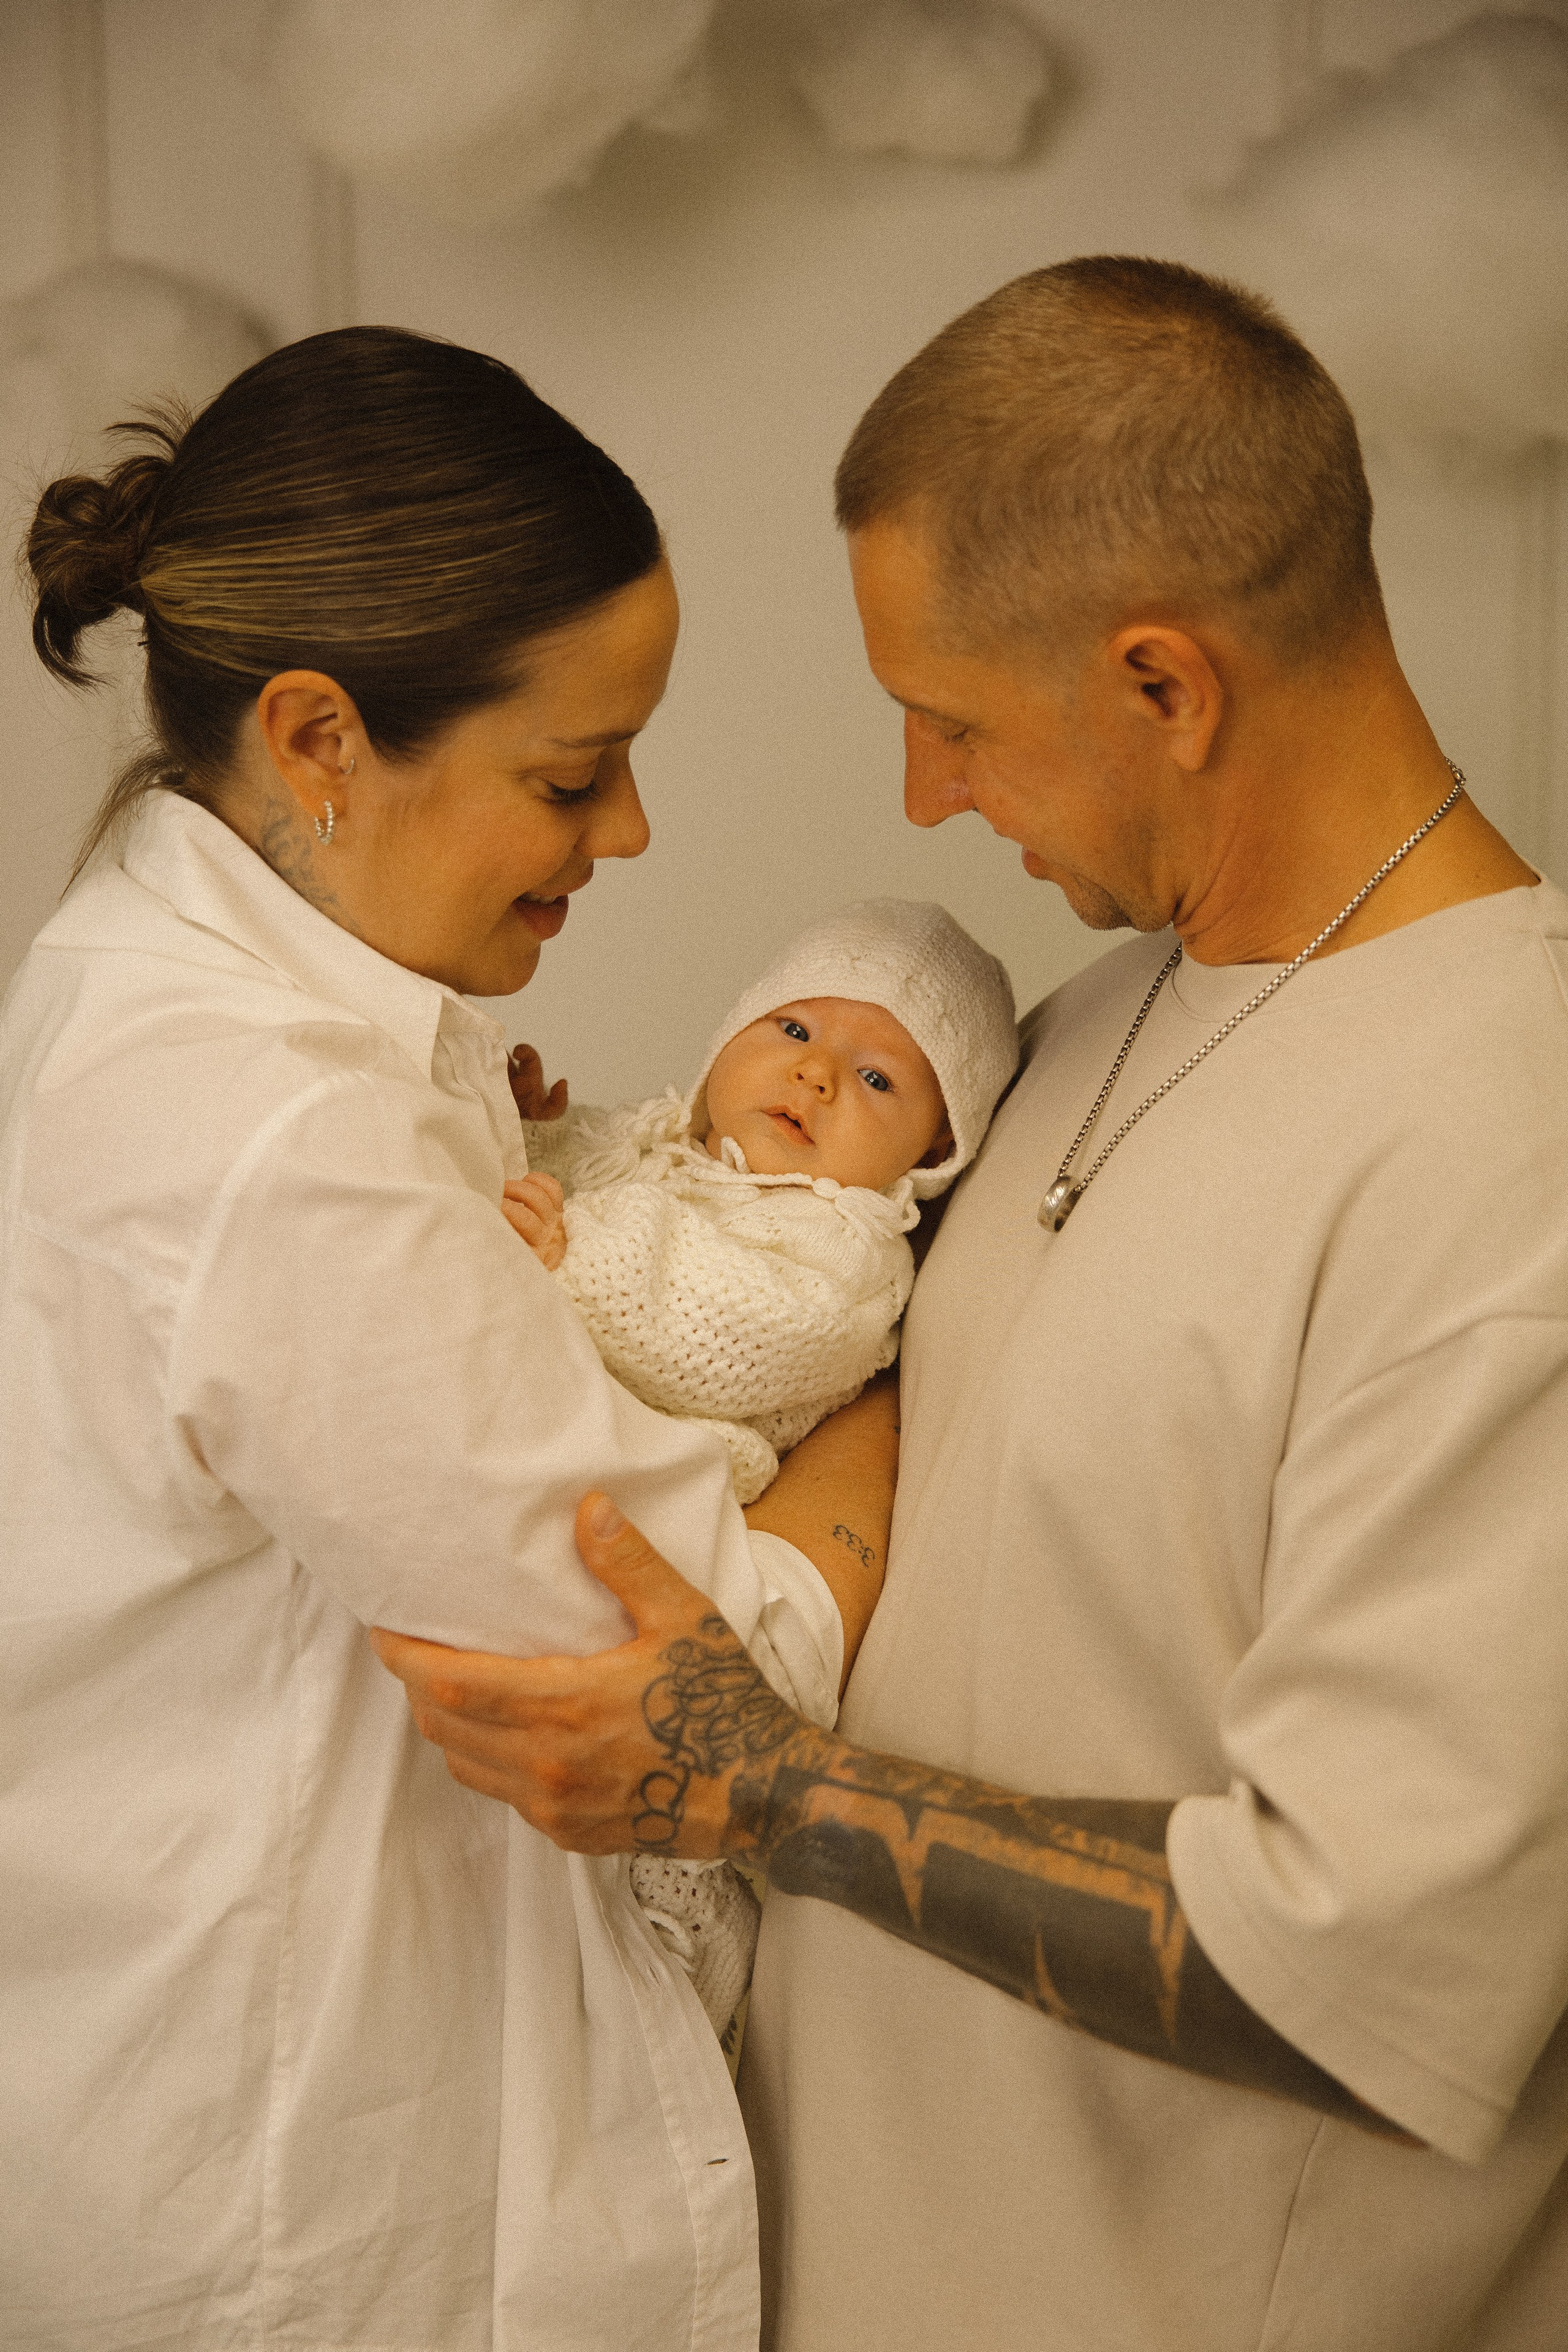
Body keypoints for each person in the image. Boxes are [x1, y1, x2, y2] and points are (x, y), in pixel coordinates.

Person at [373, 259, 1568, 2352]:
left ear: (1165, 687)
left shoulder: (1517, 1139)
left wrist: (766, 1783)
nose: (925, 799)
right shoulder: (1076, 1026)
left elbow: (1365, 1958)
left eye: (952, 723)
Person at [0, 325, 897, 2352]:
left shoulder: (190, 1003)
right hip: (294, 2215)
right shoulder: (273, 1127)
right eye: (574, 774)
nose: (636, 832)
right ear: (320, 739)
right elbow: (690, 1671)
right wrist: (873, 1398)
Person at [502, 897, 1017, 2035]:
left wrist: (568, 1250)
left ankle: (679, 1995)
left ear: (932, 1155)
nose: (819, 1078)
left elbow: (721, 1333)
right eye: (792, 1032)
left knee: (647, 1901)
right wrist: (523, 1138)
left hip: (681, 1551)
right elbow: (563, 1170)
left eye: (879, 1079)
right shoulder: (650, 1143)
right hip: (563, 1521)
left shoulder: (844, 1257)